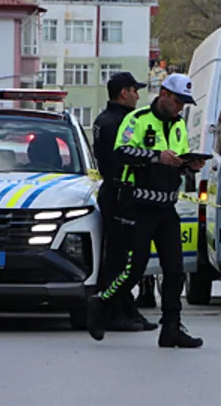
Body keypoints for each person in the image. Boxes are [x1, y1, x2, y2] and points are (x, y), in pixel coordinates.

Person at [86, 73, 207, 348]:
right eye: (177, 101)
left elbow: (176, 157)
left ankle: (172, 328)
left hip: (167, 206)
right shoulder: (137, 120)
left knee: (174, 270)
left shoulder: (178, 125)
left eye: (185, 103)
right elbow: (121, 152)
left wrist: (188, 165)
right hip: (138, 206)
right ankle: (101, 303)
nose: (180, 108)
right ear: (164, 94)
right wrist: (156, 156)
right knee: (134, 269)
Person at [91, 71, 156, 332]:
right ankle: (113, 311)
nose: (138, 96)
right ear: (123, 93)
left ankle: (126, 307)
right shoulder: (121, 122)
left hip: (114, 192)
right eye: (134, 90)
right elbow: (125, 159)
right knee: (122, 258)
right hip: (122, 194)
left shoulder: (103, 119)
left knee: (123, 256)